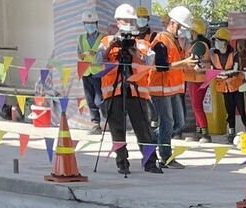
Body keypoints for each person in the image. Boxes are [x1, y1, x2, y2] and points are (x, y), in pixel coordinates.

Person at [100, 4, 158, 174]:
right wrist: (111, 46)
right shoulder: (106, 41)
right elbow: (98, 61)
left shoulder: (142, 44)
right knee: (117, 129)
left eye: (131, 21)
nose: (129, 24)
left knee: (143, 129)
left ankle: (150, 162)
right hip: (114, 92)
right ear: (117, 22)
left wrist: (134, 52)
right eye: (126, 20)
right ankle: (122, 163)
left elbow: (149, 64)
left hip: (136, 92)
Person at [151, 6, 195, 166]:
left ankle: (150, 140)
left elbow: (176, 63)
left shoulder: (176, 41)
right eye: (182, 26)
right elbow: (162, 65)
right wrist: (184, 63)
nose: (184, 30)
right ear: (173, 23)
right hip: (161, 88)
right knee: (167, 123)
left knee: (178, 123)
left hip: (174, 88)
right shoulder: (161, 40)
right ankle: (165, 157)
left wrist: (187, 64)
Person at [206, 28, 246, 139]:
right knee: (229, 111)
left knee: (242, 110)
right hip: (225, 88)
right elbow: (212, 69)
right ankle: (231, 132)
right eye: (215, 40)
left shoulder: (234, 54)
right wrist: (219, 74)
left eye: (218, 40)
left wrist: (223, 74)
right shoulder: (213, 55)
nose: (216, 42)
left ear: (225, 42)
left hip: (238, 87)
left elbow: (235, 70)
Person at [75, 10, 105, 129]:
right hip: (85, 71)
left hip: (98, 72)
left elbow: (104, 54)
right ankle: (95, 123)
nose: (90, 25)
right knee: (90, 99)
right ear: (84, 24)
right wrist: (83, 55)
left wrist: (94, 54)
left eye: (92, 23)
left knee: (99, 99)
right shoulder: (81, 38)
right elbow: (79, 53)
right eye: (87, 23)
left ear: (96, 24)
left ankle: (107, 117)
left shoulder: (102, 37)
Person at [183, 19, 210, 140]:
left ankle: (204, 133)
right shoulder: (197, 44)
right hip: (194, 78)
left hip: (198, 79)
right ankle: (199, 132)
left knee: (197, 106)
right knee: (195, 106)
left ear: (194, 31)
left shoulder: (199, 45)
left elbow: (193, 62)